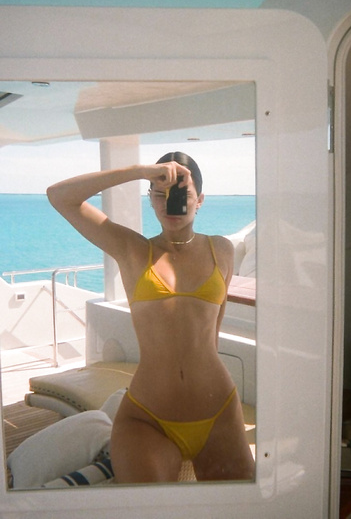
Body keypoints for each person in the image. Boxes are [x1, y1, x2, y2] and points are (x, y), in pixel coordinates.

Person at [47, 151, 255, 483]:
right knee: (149, 506)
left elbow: (211, 337)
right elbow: (60, 197)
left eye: (182, 194)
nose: (170, 203)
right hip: (149, 418)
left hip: (218, 411)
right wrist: (142, 171)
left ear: (200, 200)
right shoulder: (133, 249)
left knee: (240, 505)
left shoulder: (221, 250)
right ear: (151, 199)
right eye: (160, 194)